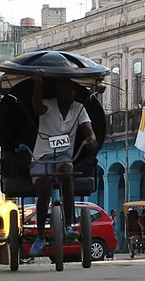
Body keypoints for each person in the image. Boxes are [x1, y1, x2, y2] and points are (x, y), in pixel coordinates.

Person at [28, 70, 98, 257]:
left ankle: (68, 225)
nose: (68, 93)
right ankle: (41, 235)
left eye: (71, 89)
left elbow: (89, 131)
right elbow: (37, 106)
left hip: (64, 158)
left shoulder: (79, 109)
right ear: (57, 92)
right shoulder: (47, 105)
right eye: (64, 89)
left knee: (66, 173)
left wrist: (91, 139)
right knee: (44, 189)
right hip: (41, 157)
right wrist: (38, 85)